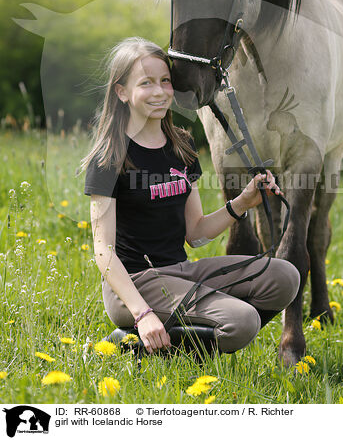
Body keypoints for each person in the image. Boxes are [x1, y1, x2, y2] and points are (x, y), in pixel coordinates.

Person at [80, 37, 300, 356]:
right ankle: (136, 342)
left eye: (165, 81)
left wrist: (244, 202)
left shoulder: (181, 147)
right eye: (146, 83)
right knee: (243, 322)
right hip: (136, 284)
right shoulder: (110, 157)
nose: (159, 91)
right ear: (122, 92)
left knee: (284, 276)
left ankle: (184, 333)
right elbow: (104, 251)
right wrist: (142, 314)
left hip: (182, 272)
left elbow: (195, 233)